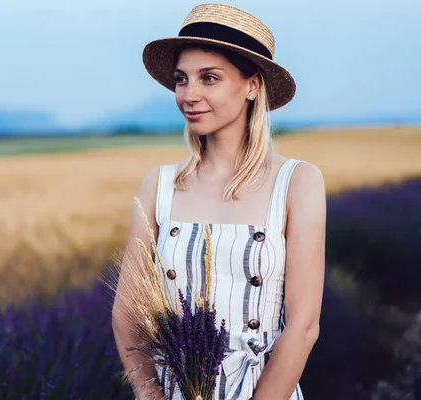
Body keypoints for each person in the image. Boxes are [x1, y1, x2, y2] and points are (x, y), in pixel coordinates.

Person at [111, 3, 326, 400]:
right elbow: (126, 314)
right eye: (181, 79)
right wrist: (151, 395)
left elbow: (304, 326)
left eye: (209, 78)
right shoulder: (158, 186)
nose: (189, 95)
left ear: (252, 86)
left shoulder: (297, 182)